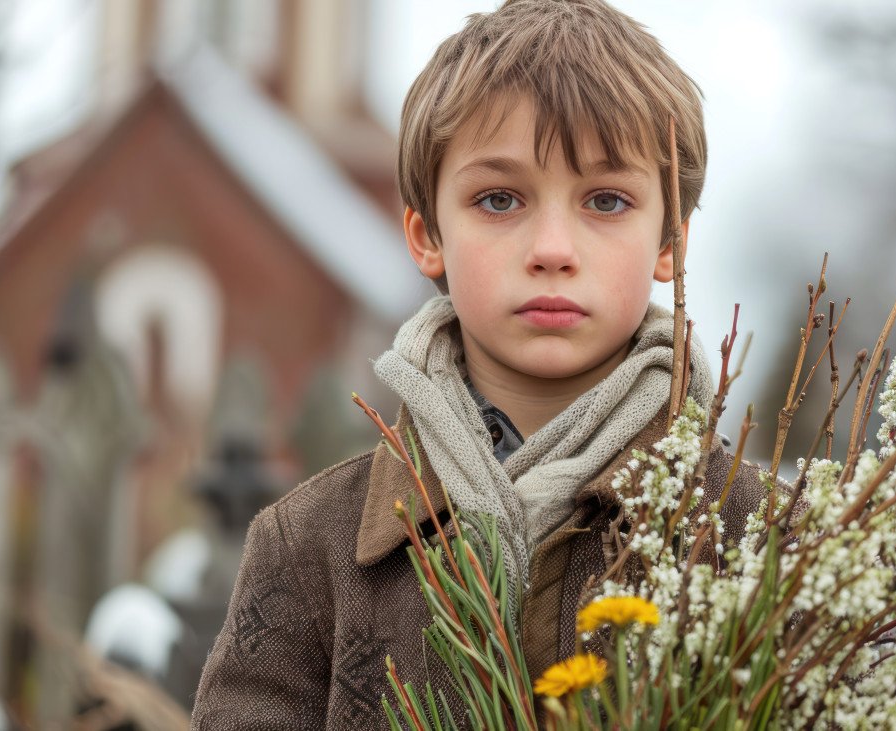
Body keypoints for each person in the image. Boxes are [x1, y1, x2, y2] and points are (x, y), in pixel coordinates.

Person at [191, 1, 762, 727]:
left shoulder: (761, 536)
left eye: (607, 200)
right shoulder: (309, 549)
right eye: (500, 199)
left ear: (669, 243)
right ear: (427, 233)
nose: (552, 247)